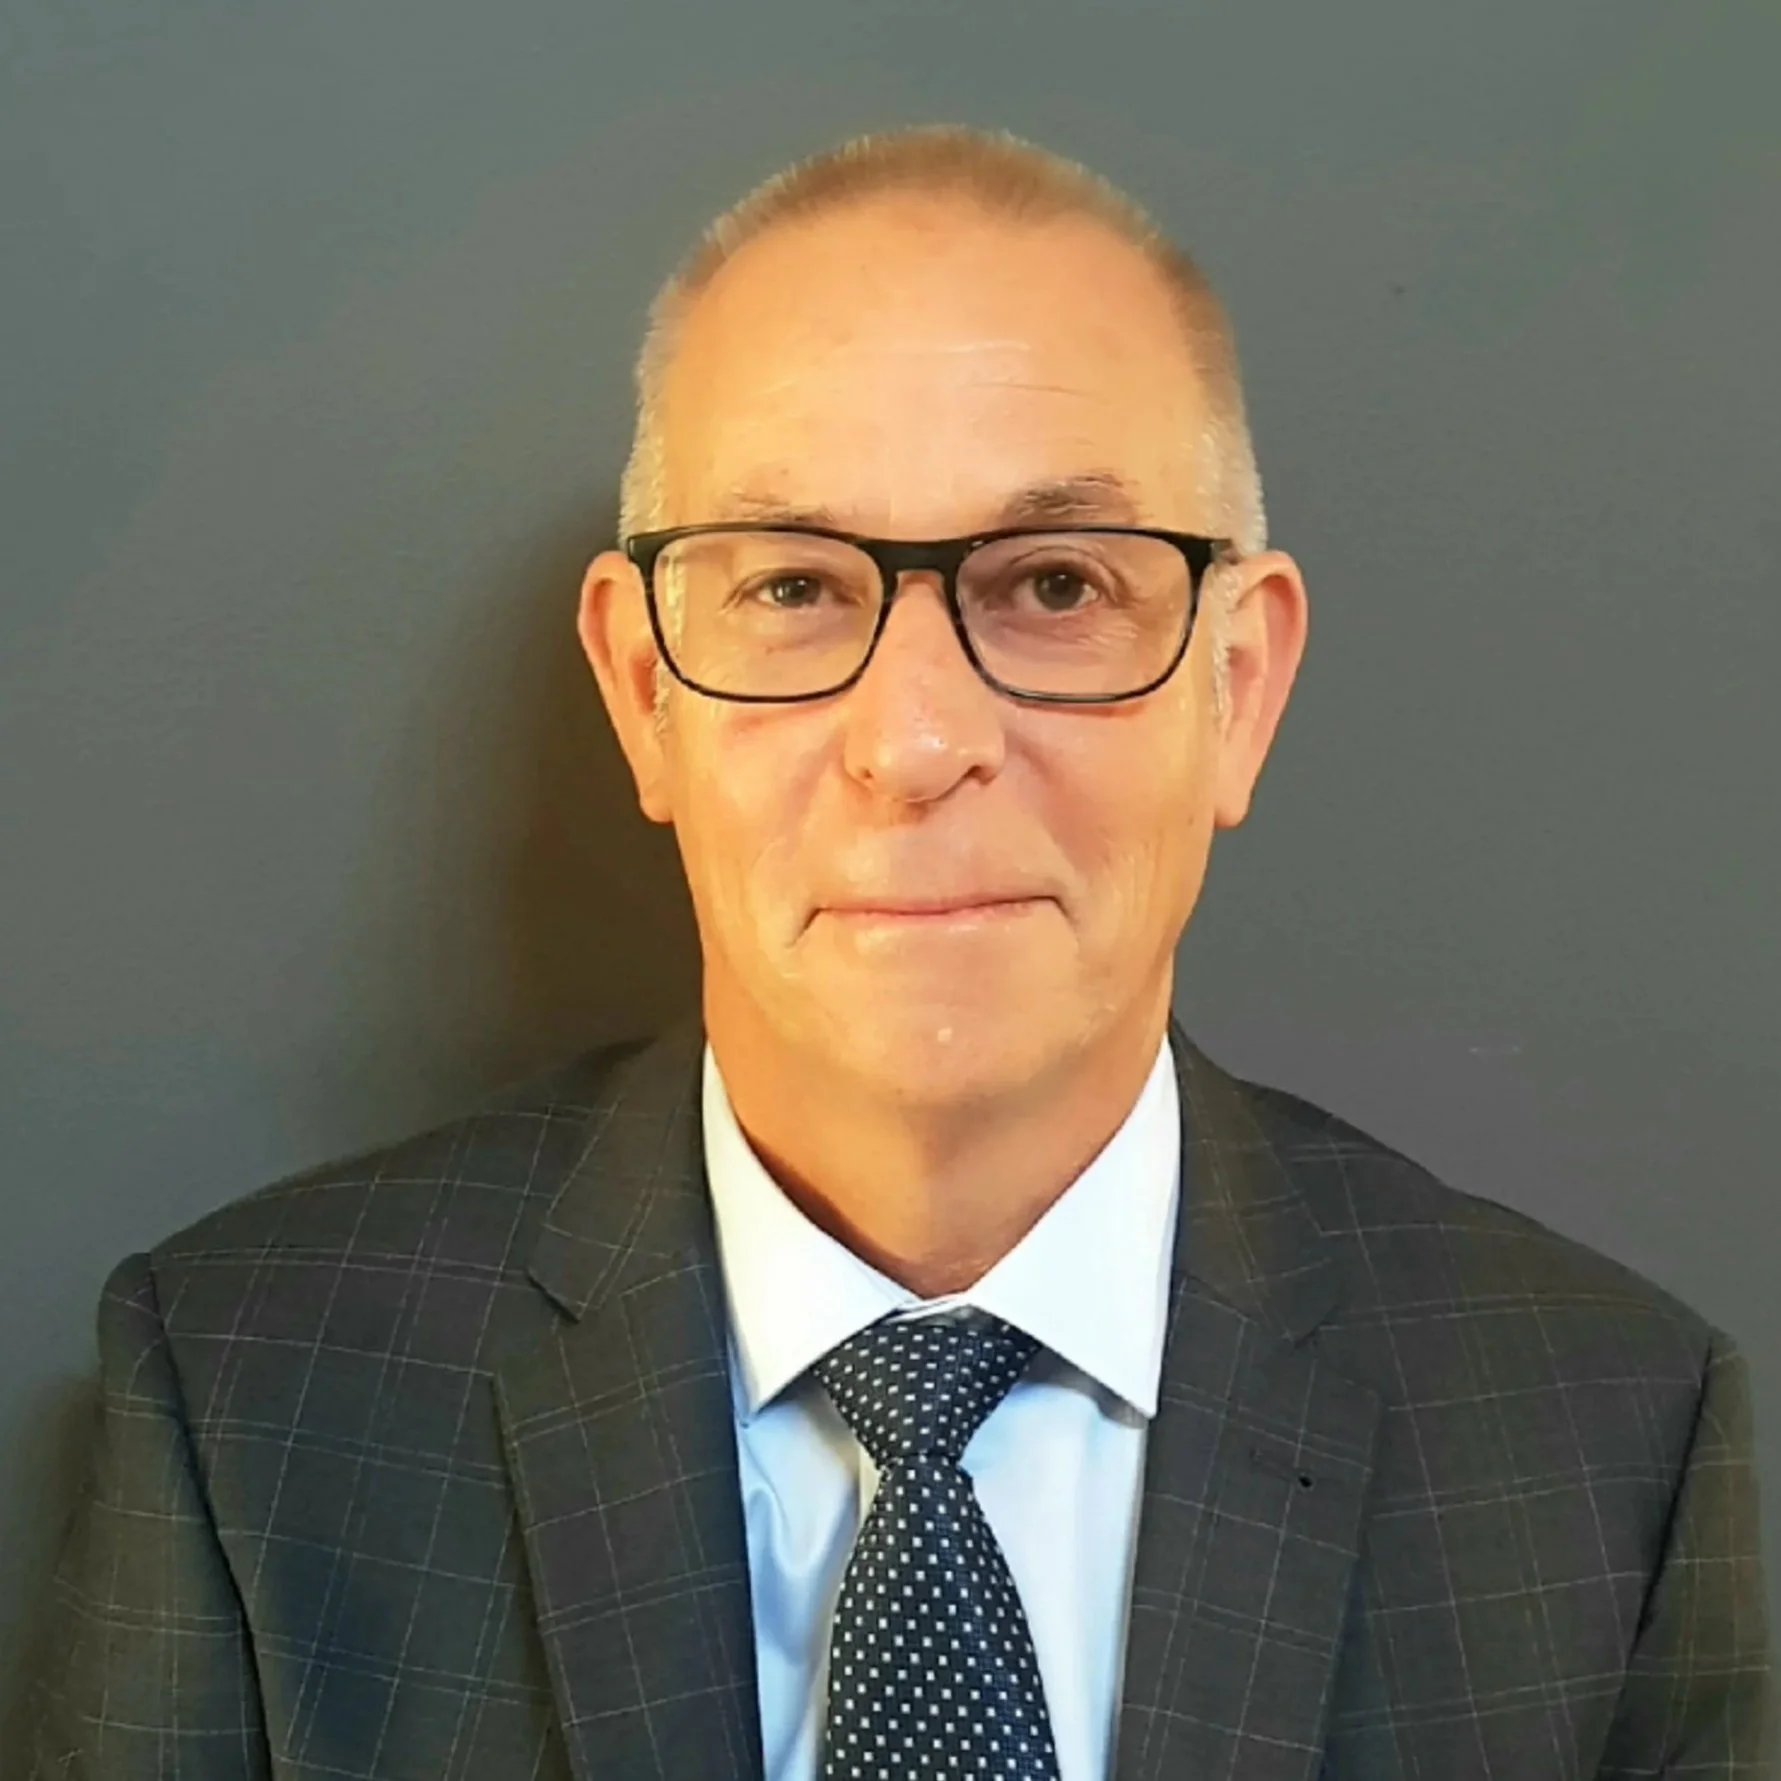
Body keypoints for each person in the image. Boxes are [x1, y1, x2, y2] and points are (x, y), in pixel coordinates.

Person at [27, 124, 1771, 1781]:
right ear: (644, 693)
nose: (917, 738)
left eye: (1059, 586)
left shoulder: (1607, 1448)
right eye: (791, 589)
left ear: (1238, 689)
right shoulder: (253, 1403)